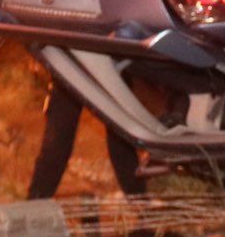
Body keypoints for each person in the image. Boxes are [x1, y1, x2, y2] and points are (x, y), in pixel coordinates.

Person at [25, 73, 144, 201]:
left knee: (120, 139)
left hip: (109, 67)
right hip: (73, 65)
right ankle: (36, 202)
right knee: (57, 140)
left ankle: (140, 201)